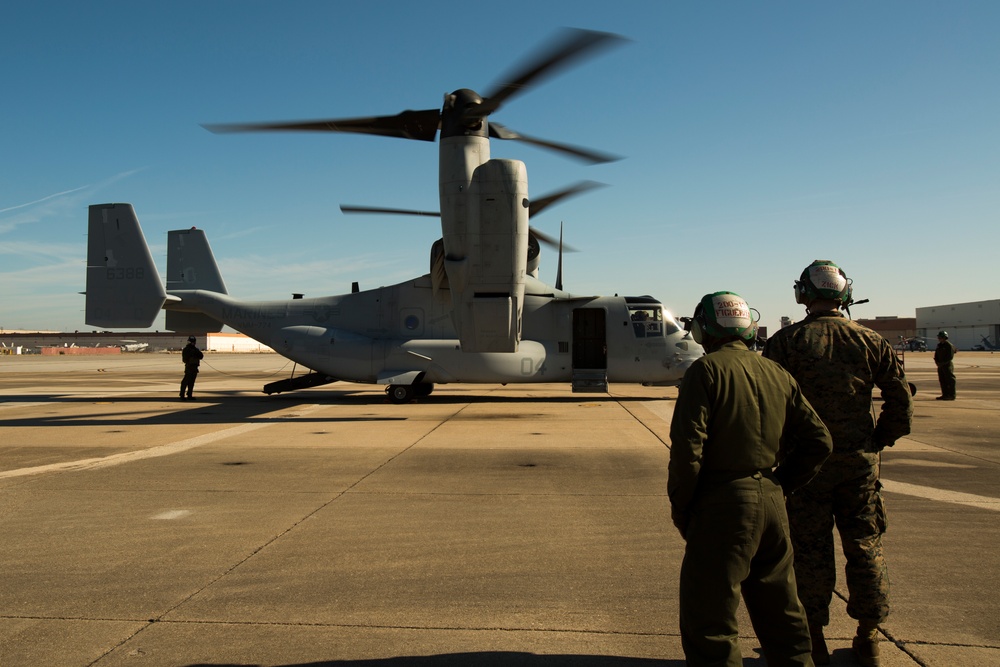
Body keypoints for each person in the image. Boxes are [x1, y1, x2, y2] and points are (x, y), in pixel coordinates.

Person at [669, 291, 833, 667]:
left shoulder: (705, 371)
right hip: (772, 501)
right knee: (783, 610)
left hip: (723, 504)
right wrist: (780, 485)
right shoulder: (776, 372)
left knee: (710, 618)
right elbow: (819, 441)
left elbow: (688, 450)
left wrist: (684, 504)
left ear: (703, 329)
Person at [763, 261, 913, 667]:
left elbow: (768, 404)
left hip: (804, 467)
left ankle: (813, 640)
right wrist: (877, 440)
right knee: (865, 545)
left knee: (808, 551)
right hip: (858, 465)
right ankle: (869, 638)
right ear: (845, 295)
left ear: (803, 294)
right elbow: (900, 398)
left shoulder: (785, 342)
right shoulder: (869, 340)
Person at [934, 330, 957, 400]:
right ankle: (945, 394)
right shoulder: (939, 346)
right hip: (940, 366)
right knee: (942, 380)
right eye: (939, 337)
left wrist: (943, 363)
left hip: (947, 365)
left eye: (941, 337)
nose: (939, 339)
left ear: (944, 337)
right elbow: (936, 355)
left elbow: (950, 356)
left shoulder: (948, 346)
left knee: (950, 380)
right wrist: (937, 362)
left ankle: (951, 395)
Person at [180, 336, 204, 400]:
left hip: (194, 367)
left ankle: (189, 394)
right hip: (189, 367)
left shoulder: (195, 349)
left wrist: (195, 353)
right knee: (185, 381)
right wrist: (191, 355)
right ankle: (182, 394)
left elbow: (201, 356)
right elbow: (185, 359)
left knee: (192, 382)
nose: (193, 343)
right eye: (191, 342)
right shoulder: (186, 349)